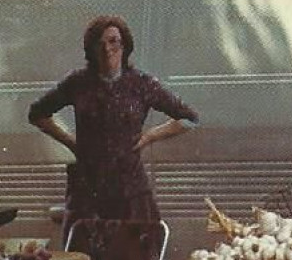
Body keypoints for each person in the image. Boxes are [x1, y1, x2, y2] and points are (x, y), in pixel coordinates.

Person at [28, 15, 198, 229]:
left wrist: (150, 136)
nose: (107, 49)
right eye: (99, 43)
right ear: (91, 49)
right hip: (88, 190)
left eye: (113, 41)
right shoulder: (78, 82)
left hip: (130, 189)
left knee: (132, 255)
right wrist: (72, 142)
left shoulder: (142, 84)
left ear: (124, 45)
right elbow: (37, 114)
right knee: (85, 256)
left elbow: (190, 119)